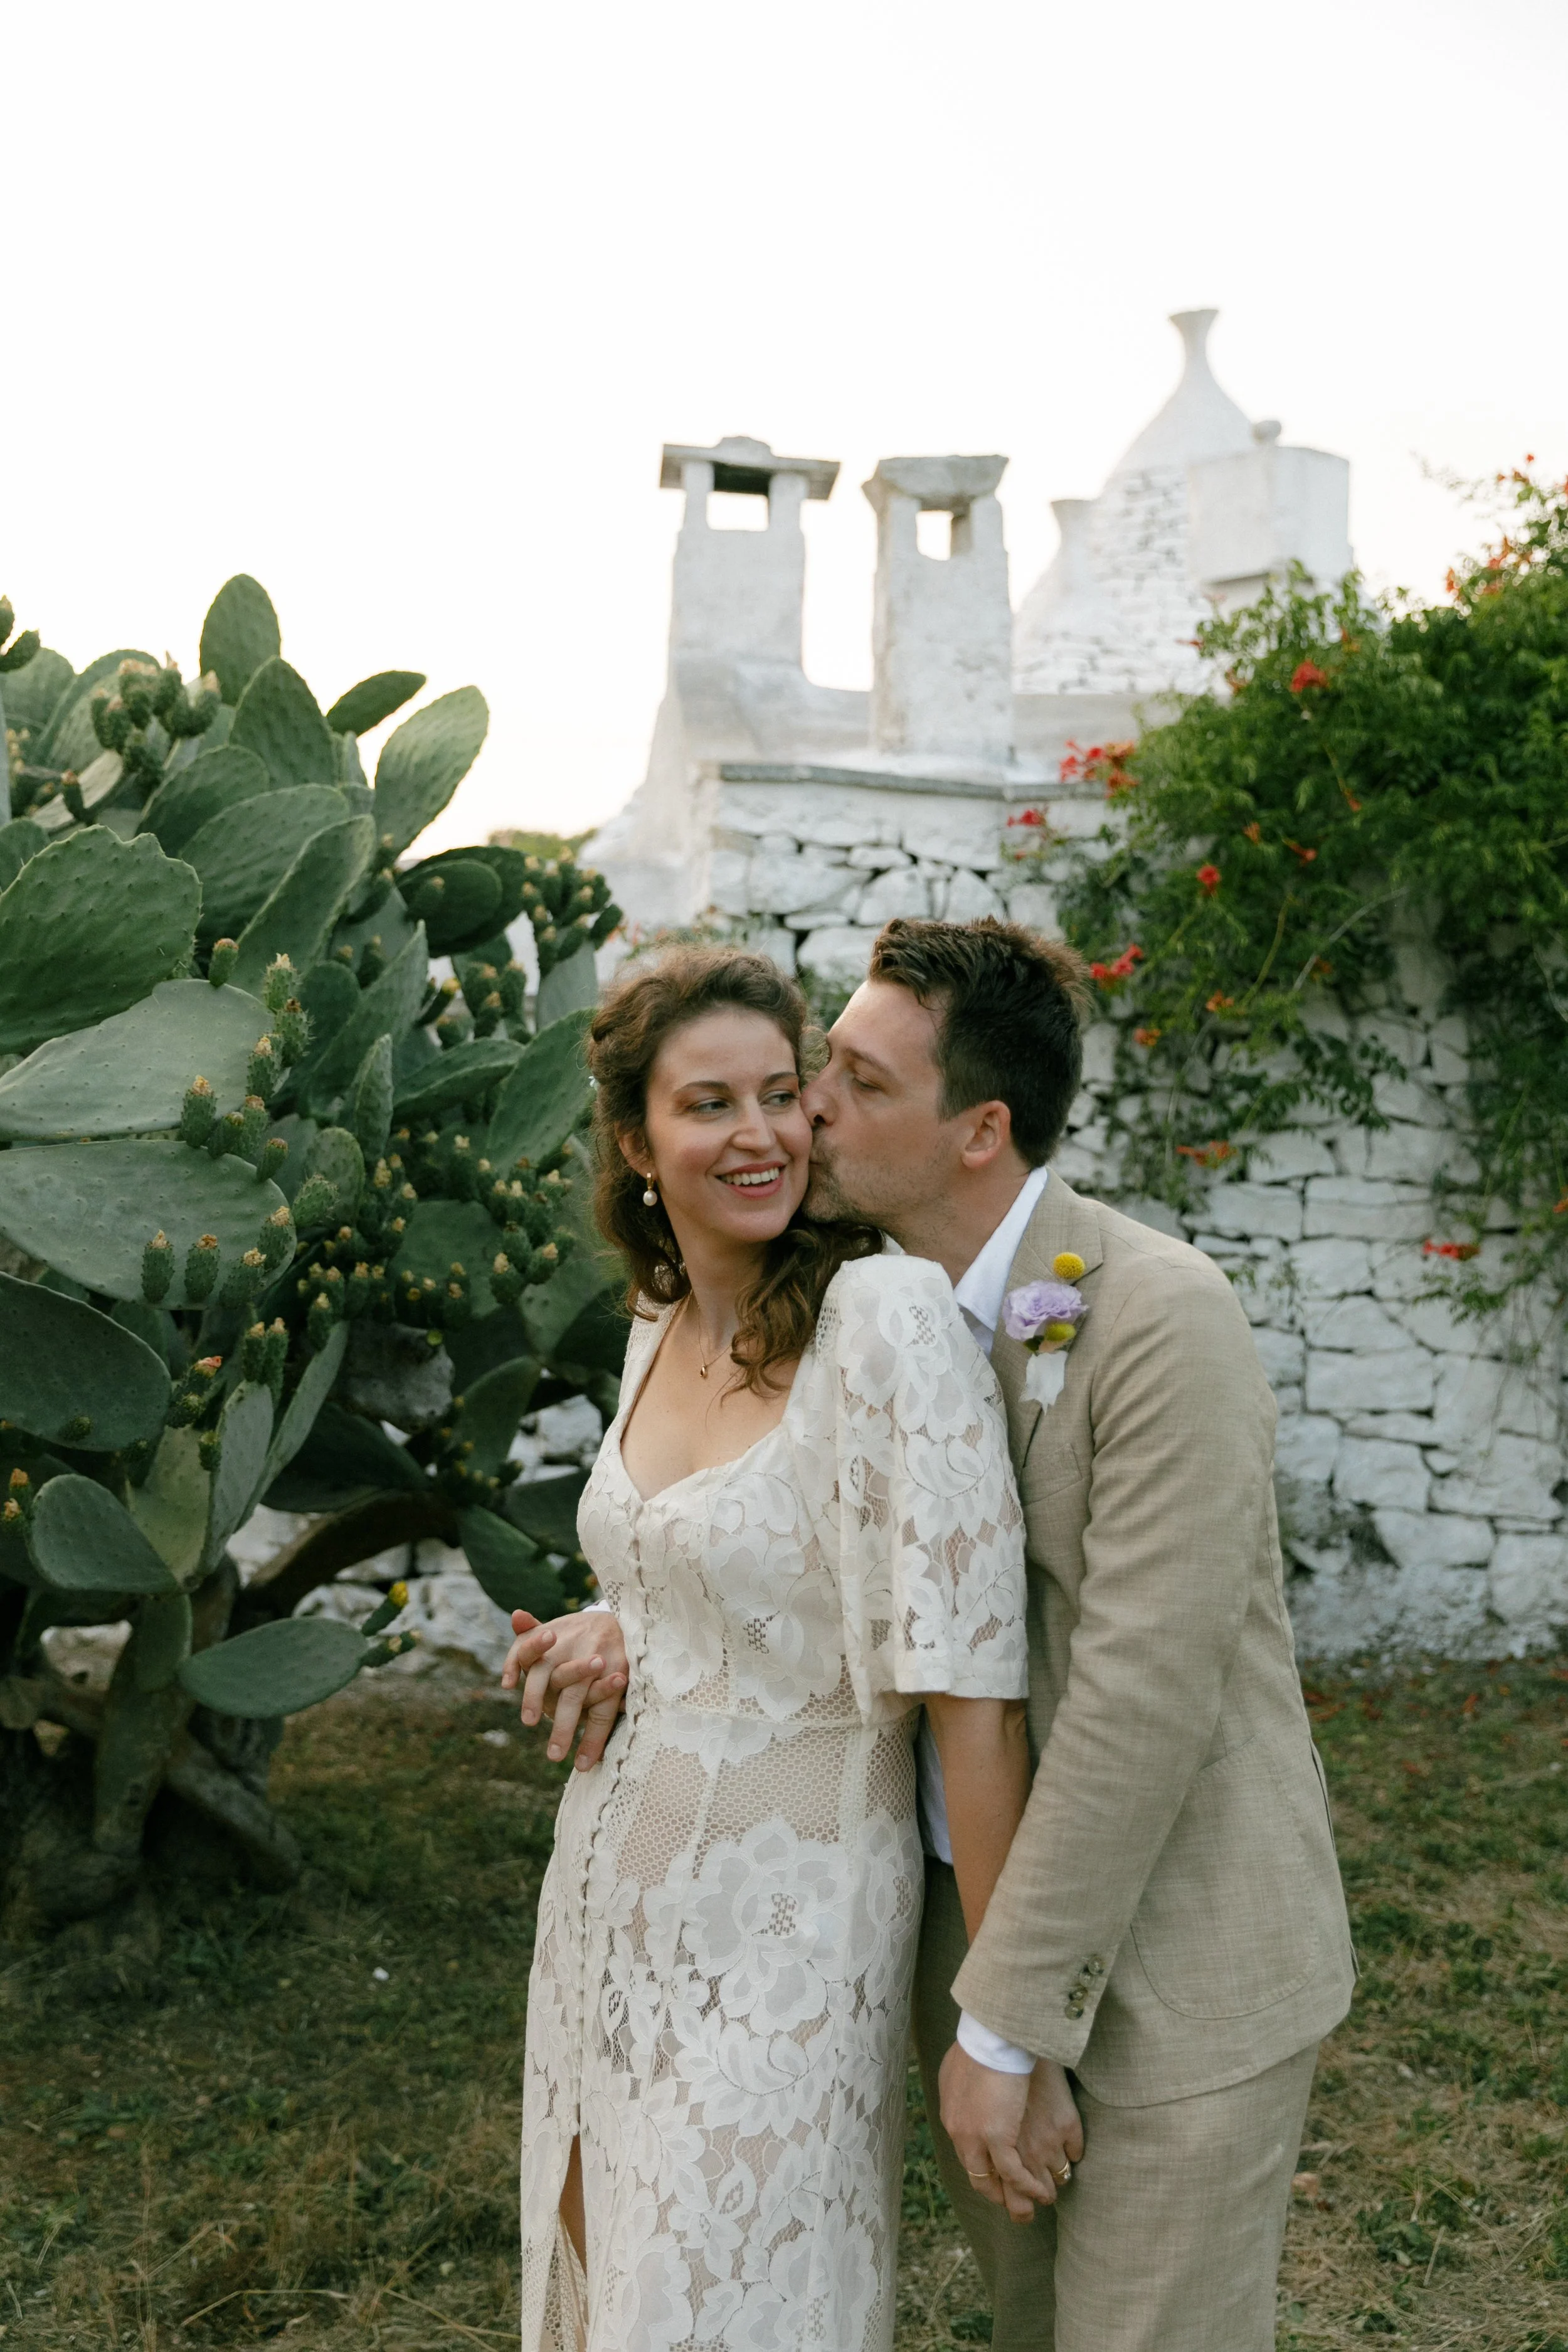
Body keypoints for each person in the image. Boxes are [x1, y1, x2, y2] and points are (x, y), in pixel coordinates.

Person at [518, 915, 1357, 2352]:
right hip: (943, 1926)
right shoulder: (847, 1298)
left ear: (978, 1132)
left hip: (1168, 1955)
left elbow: (1135, 1704)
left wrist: (1007, 2025)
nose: (805, 1112)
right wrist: (636, 1618)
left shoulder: (1154, 1317)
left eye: (846, 1083)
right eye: (802, 1077)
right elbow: (795, 1525)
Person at [502, 943, 1056, 2352]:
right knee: (600, 2283)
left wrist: (1006, 2032)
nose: (757, 1135)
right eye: (706, 1105)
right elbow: (727, 1562)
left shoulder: (884, 1325)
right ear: (635, 1141)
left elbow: (971, 1700)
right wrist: (619, 1625)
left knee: (726, 2305)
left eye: (777, 1094)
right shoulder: (653, 1319)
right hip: (601, 1912)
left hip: (787, 1939)